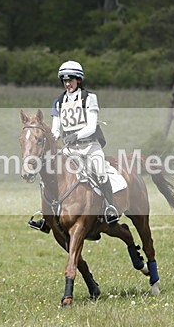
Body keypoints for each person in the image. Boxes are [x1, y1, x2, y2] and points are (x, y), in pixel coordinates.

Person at [28, 60, 119, 231]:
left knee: (100, 172)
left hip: (90, 146)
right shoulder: (58, 102)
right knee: (50, 175)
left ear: (78, 80)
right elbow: (56, 130)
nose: (67, 84)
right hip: (70, 150)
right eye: (64, 81)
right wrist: (49, 139)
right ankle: (47, 217)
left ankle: (110, 208)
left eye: (70, 80)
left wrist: (75, 135)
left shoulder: (89, 98)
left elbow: (91, 126)